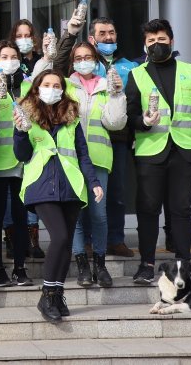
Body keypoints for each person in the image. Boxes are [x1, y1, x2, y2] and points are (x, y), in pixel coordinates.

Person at [126, 19, 191, 285]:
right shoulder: (137, 74)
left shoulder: (190, 71)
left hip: (184, 150)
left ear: (172, 41)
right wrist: (143, 121)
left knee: (180, 210)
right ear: (145, 44)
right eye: (152, 41)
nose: (157, 45)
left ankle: (184, 263)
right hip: (150, 152)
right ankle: (146, 264)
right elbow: (129, 116)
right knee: (148, 210)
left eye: (161, 40)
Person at [13, 69, 103, 323]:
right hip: (40, 184)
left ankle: (57, 294)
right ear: (37, 88)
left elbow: (82, 154)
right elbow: (21, 154)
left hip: (71, 185)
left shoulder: (71, 117)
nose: (52, 88)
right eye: (47, 84)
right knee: (60, 237)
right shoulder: (25, 114)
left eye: (57, 85)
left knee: (64, 244)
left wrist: (93, 182)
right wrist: (20, 132)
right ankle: (47, 294)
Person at [55, 15, 138, 258]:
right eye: (103, 33)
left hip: (117, 138)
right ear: (92, 38)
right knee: (85, 196)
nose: (108, 37)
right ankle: (87, 242)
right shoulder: (79, 71)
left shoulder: (127, 66)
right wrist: (70, 34)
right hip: (81, 144)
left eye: (112, 33)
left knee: (116, 194)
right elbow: (58, 64)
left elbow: (132, 100)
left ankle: (116, 239)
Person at [63, 43, 126, 288]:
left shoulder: (105, 85)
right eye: (78, 58)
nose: (83, 61)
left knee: (99, 215)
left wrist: (117, 95)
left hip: (99, 158)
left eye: (88, 57)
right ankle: (82, 265)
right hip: (71, 159)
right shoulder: (66, 86)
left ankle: (100, 264)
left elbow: (115, 123)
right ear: (73, 61)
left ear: (96, 59)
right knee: (77, 214)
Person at [0, 41, 33, 287]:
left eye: (13, 56)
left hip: (23, 163)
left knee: (21, 219)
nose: (9, 60)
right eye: (4, 56)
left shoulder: (29, 87)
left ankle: (20, 267)